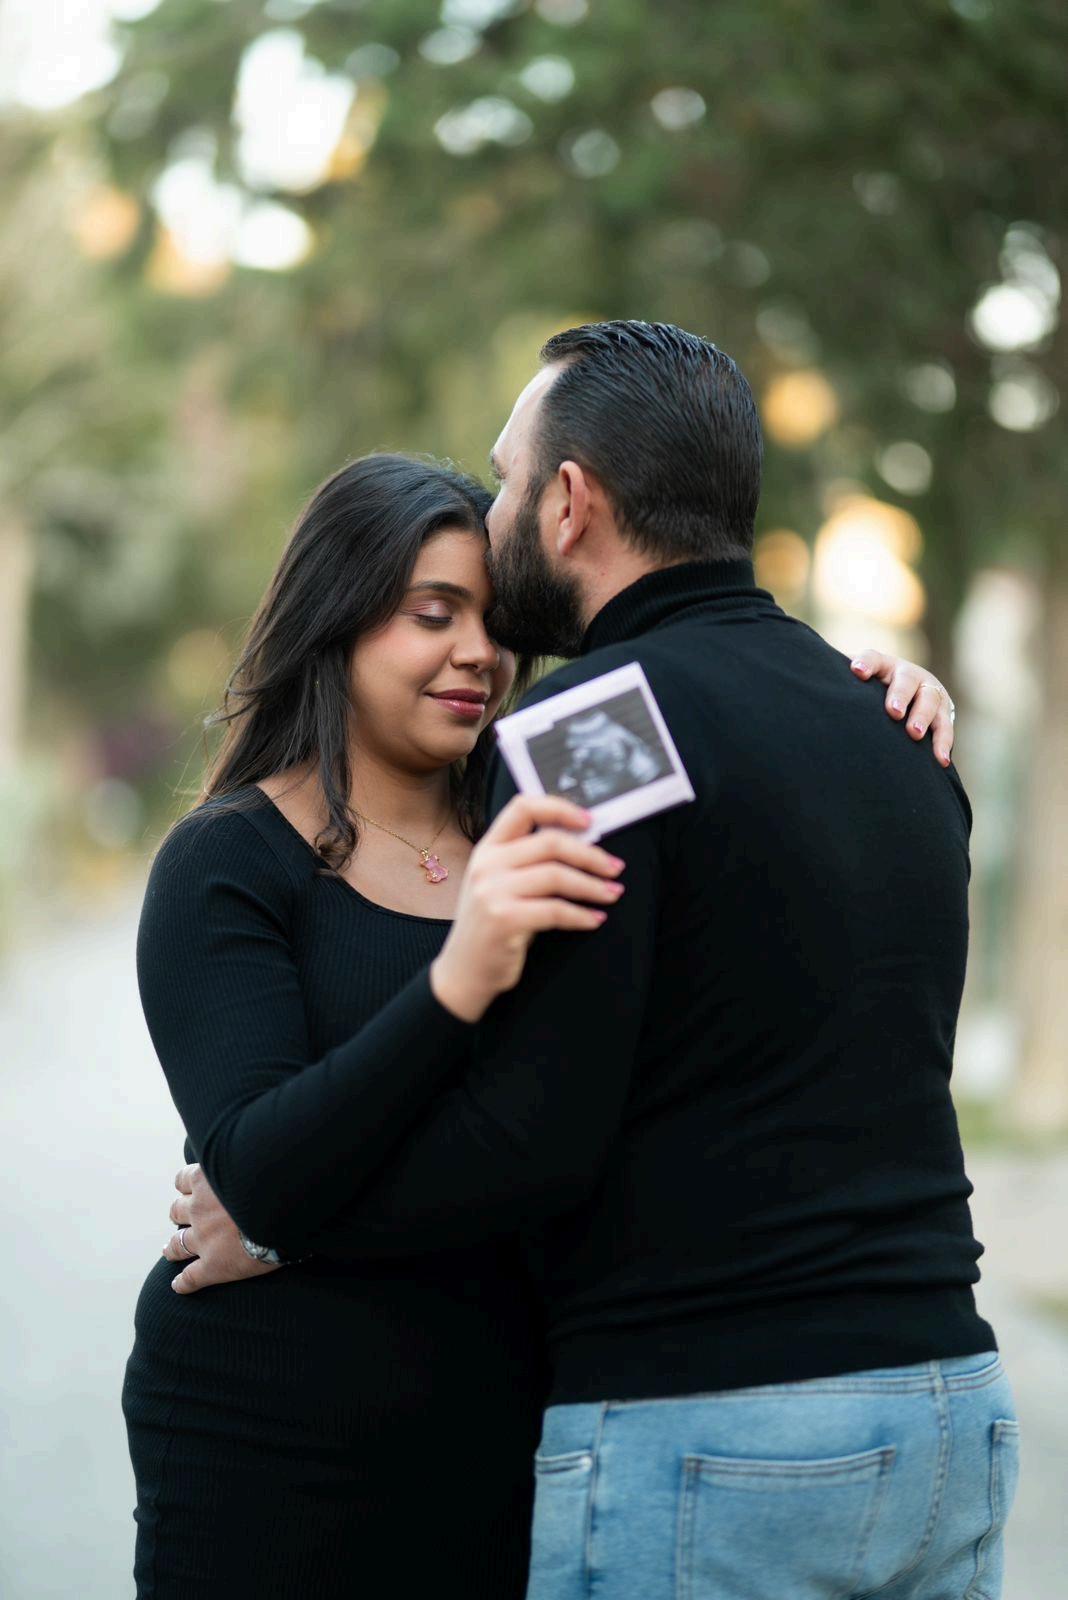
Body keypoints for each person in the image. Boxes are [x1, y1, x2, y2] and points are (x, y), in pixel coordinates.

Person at [131, 356, 971, 1599]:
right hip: (273, 1428)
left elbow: (730, 716)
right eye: (431, 614)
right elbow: (254, 1154)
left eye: (491, 620)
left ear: (568, 505)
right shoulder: (228, 861)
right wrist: (455, 981)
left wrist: (876, 694)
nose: (478, 653)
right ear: (334, 621)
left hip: (509, 1433)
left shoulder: (556, 775)